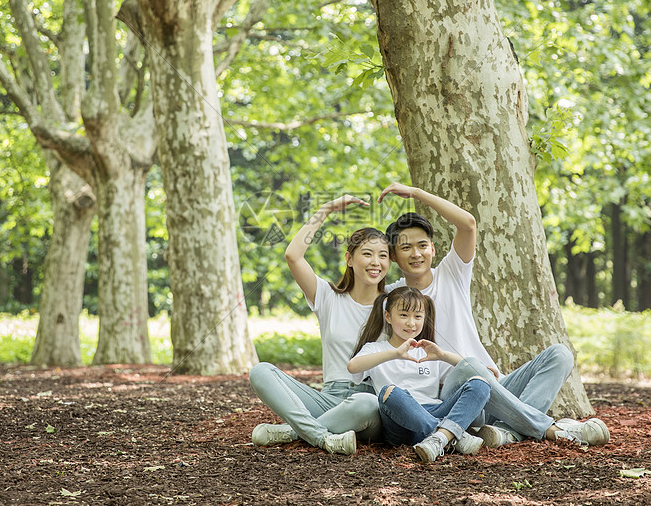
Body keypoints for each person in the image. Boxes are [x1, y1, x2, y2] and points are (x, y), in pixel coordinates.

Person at [380, 182, 610, 447]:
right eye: (406, 247)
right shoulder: (390, 298)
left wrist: (416, 193)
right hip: (456, 398)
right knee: (469, 366)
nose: (416, 253)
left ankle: (505, 433)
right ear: (394, 257)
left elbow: (467, 224)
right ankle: (551, 430)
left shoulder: (451, 273)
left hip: (496, 387)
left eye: (422, 245)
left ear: (432, 248)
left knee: (560, 354)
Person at [248, 195, 388, 455]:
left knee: (365, 403)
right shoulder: (328, 297)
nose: (375, 262)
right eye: (367, 254)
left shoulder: (396, 302)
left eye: (383, 255)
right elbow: (293, 255)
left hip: (371, 405)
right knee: (261, 372)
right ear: (349, 259)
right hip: (329, 400)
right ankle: (321, 436)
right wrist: (326, 209)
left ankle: (293, 433)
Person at [347, 286, 491, 463]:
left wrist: (443, 355)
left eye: (417, 316)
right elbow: (353, 366)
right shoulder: (376, 349)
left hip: (434, 411)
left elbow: (468, 369)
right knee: (390, 392)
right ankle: (450, 436)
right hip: (399, 424)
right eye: (403, 315)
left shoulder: (429, 351)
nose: (411, 323)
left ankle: (439, 439)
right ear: (388, 316)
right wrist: (394, 354)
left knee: (480, 383)